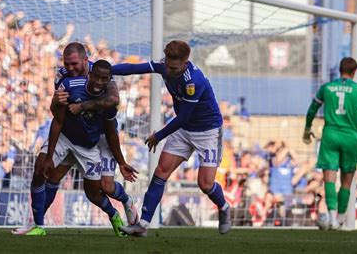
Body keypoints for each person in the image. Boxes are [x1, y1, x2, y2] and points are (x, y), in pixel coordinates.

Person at [13, 43, 137, 236]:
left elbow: (112, 117)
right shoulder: (65, 80)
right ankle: (36, 224)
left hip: (97, 140)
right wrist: (56, 103)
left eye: (74, 64)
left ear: (86, 61)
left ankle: (121, 206)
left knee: (101, 190)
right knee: (45, 173)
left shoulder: (103, 79)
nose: (70, 68)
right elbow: (58, 114)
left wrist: (121, 162)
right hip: (68, 136)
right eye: (67, 63)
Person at [112, 40, 231, 237]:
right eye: (167, 64)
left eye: (174, 67)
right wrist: (107, 69)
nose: (169, 69)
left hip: (207, 131)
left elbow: (183, 117)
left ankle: (224, 207)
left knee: (205, 184)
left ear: (185, 62)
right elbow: (134, 67)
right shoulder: (164, 66)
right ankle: (142, 225)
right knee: (160, 171)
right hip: (183, 130)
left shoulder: (194, 81)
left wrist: (158, 136)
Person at [303, 57, 357, 230]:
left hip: (330, 136)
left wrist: (307, 128)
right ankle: (341, 219)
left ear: (340, 70)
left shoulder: (326, 88)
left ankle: (332, 218)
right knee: (346, 182)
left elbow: (312, 109)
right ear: (354, 71)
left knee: (329, 179)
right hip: (350, 137)